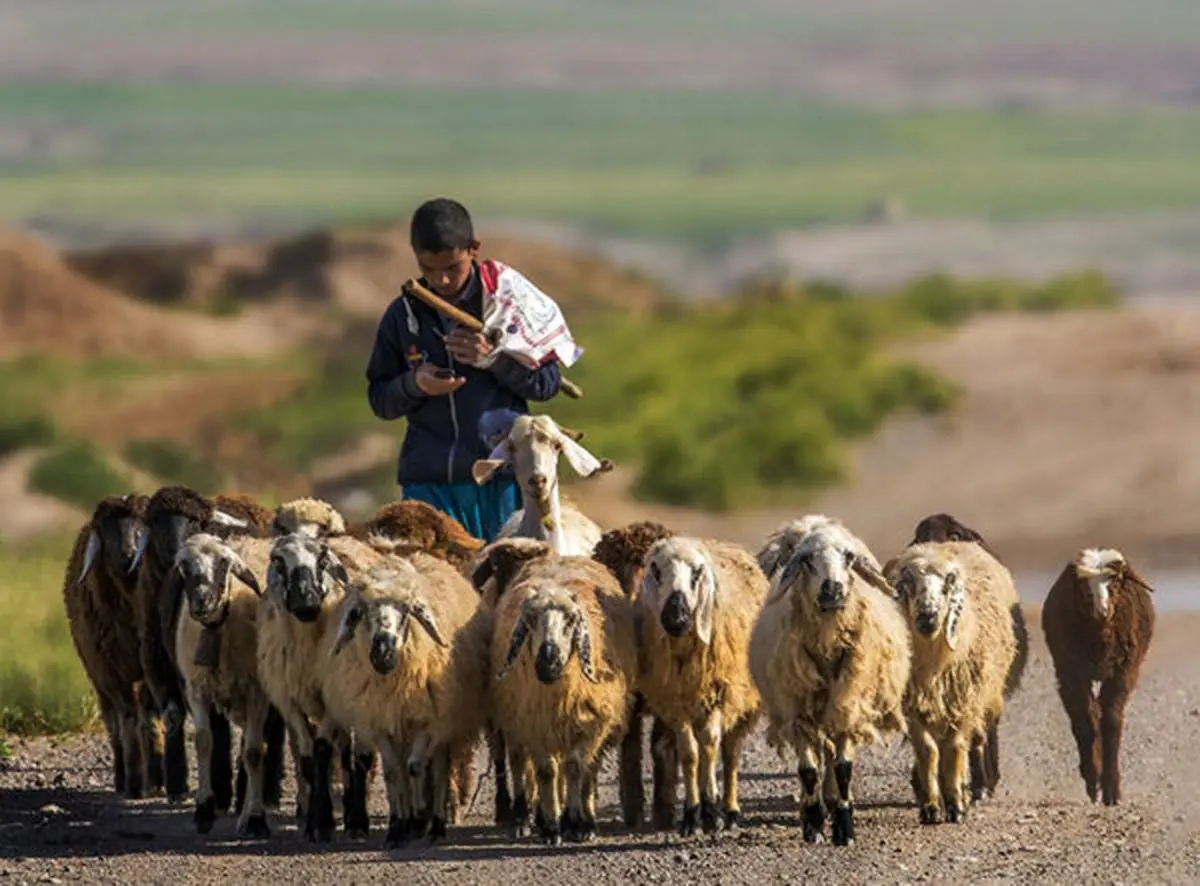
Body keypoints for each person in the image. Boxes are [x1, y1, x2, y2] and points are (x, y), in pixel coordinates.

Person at [365, 197, 564, 542]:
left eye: (451, 267)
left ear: (473, 249)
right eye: (428, 269)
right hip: (428, 486)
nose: (441, 280)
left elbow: (547, 383)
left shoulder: (510, 305)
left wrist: (494, 360)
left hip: (502, 480)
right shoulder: (402, 315)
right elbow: (380, 399)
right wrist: (416, 384)